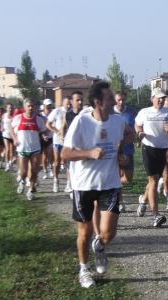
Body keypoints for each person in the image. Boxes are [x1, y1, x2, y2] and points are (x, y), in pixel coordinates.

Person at [61, 81, 133, 288]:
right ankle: (84, 269)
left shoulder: (117, 121)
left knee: (108, 232)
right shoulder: (81, 122)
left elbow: (131, 134)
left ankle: (100, 246)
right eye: (110, 98)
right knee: (85, 231)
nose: (114, 101)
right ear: (98, 102)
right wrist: (89, 153)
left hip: (109, 183)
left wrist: (121, 154)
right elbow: (65, 153)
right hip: (83, 185)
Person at [134, 87, 168, 227]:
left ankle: (143, 201)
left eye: (163, 98)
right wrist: (139, 132)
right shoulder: (144, 112)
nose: (161, 100)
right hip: (149, 149)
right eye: (158, 97)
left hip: (163, 150)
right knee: (153, 180)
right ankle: (156, 215)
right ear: (152, 98)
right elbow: (137, 124)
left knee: (155, 180)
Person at [10, 99, 49, 201]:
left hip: (35, 148)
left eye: (32, 106)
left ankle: (31, 191)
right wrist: (14, 139)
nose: (31, 108)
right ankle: (22, 182)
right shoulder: (19, 118)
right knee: (24, 171)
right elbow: (11, 128)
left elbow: (44, 131)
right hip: (22, 148)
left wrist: (44, 136)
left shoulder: (38, 119)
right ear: (25, 107)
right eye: (28, 106)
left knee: (35, 171)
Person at [112, 91, 137, 212]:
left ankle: (113, 182)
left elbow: (136, 129)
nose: (121, 102)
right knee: (117, 174)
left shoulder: (132, 112)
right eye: (118, 100)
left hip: (128, 149)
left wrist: (126, 141)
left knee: (127, 178)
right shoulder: (110, 112)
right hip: (114, 151)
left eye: (123, 99)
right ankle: (120, 201)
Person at [46, 96, 72, 192]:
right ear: (63, 102)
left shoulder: (72, 112)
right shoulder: (57, 111)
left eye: (70, 104)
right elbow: (48, 124)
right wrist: (56, 132)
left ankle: (69, 183)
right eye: (67, 104)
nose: (69, 106)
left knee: (68, 162)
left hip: (69, 140)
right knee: (57, 161)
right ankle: (56, 181)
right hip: (58, 140)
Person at [40, 99, 54, 179]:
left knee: (51, 154)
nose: (49, 107)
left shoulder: (53, 113)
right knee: (45, 155)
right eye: (47, 105)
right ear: (44, 106)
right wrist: (43, 133)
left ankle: (51, 167)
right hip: (44, 137)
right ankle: (45, 171)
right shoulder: (41, 114)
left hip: (52, 136)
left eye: (50, 105)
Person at [1, 103, 15, 171]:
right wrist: (1, 127)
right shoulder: (4, 115)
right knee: (7, 149)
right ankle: (7, 163)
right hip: (6, 134)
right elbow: (2, 122)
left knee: (12, 150)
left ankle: (10, 163)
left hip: (12, 134)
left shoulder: (15, 116)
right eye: (9, 108)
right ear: (7, 108)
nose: (10, 109)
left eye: (11, 108)